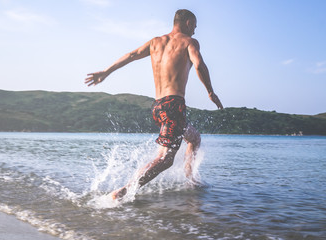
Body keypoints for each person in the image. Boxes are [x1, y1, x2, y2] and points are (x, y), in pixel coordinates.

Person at [85, 9, 223, 200]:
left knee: (194, 138)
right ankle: (123, 191)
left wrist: (106, 72)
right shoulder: (189, 42)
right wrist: (210, 91)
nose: (195, 31)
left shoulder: (155, 42)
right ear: (189, 22)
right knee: (165, 160)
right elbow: (198, 64)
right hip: (174, 105)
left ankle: (190, 180)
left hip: (158, 106)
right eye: (195, 26)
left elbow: (132, 54)